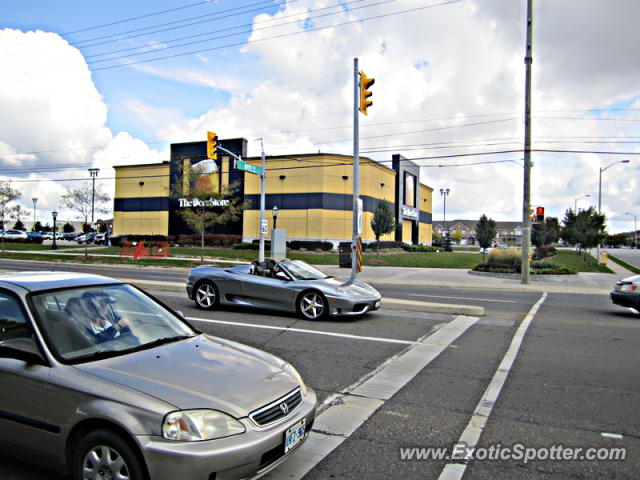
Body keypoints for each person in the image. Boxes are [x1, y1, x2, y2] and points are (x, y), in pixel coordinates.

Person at [64, 295, 133, 344]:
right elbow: (99, 343)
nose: (107, 308)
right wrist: (119, 326)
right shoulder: (82, 329)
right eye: (102, 305)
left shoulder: (108, 320)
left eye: (106, 305)